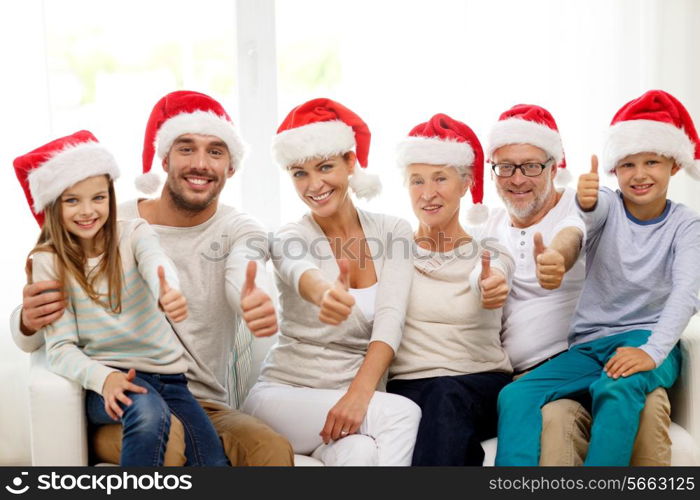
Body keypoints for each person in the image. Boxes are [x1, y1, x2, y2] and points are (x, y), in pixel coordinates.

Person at [11, 91, 294, 466]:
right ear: (164, 157)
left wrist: (249, 293)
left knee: (269, 450)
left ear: (231, 167)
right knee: (167, 439)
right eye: (186, 148)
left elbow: (242, 266)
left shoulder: (238, 228)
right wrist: (27, 320)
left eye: (215, 151)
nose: (200, 163)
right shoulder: (107, 219)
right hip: (124, 396)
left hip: (199, 401)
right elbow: (40, 335)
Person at [495, 89, 700, 466]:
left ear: (673, 165)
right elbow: (579, 223)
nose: (639, 174)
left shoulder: (687, 225)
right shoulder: (605, 203)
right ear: (613, 170)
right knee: (515, 395)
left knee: (617, 387)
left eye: (651, 162)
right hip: (590, 344)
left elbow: (687, 293)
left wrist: (651, 352)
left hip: (648, 339)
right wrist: (564, 242)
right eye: (627, 164)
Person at [13, 130, 228, 466]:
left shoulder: (134, 233)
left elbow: (157, 262)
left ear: (110, 197)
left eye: (98, 198)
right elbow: (59, 349)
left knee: (212, 462)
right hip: (110, 376)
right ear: (54, 206)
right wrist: (105, 379)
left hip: (171, 379)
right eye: (72, 200)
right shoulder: (48, 261)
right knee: (147, 412)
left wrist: (167, 290)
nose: (88, 211)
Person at [242, 98, 421, 465]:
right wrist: (322, 292)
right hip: (283, 396)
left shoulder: (394, 231)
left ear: (350, 163)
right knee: (403, 414)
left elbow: (390, 319)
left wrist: (358, 395)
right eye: (299, 173)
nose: (314, 185)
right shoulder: (290, 235)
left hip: (345, 404)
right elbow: (299, 270)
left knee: (361, 451)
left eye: (325, 167)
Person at [386, 114, 514, 465]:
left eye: (440, 178)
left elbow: (490, 276)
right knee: (436, 405)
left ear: (465, 183)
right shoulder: (391, 254)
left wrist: (489, 285)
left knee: (445, 397)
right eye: (417, 181)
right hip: (408, 386)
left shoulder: (491, 252)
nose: (428, 193)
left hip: (480, 383)